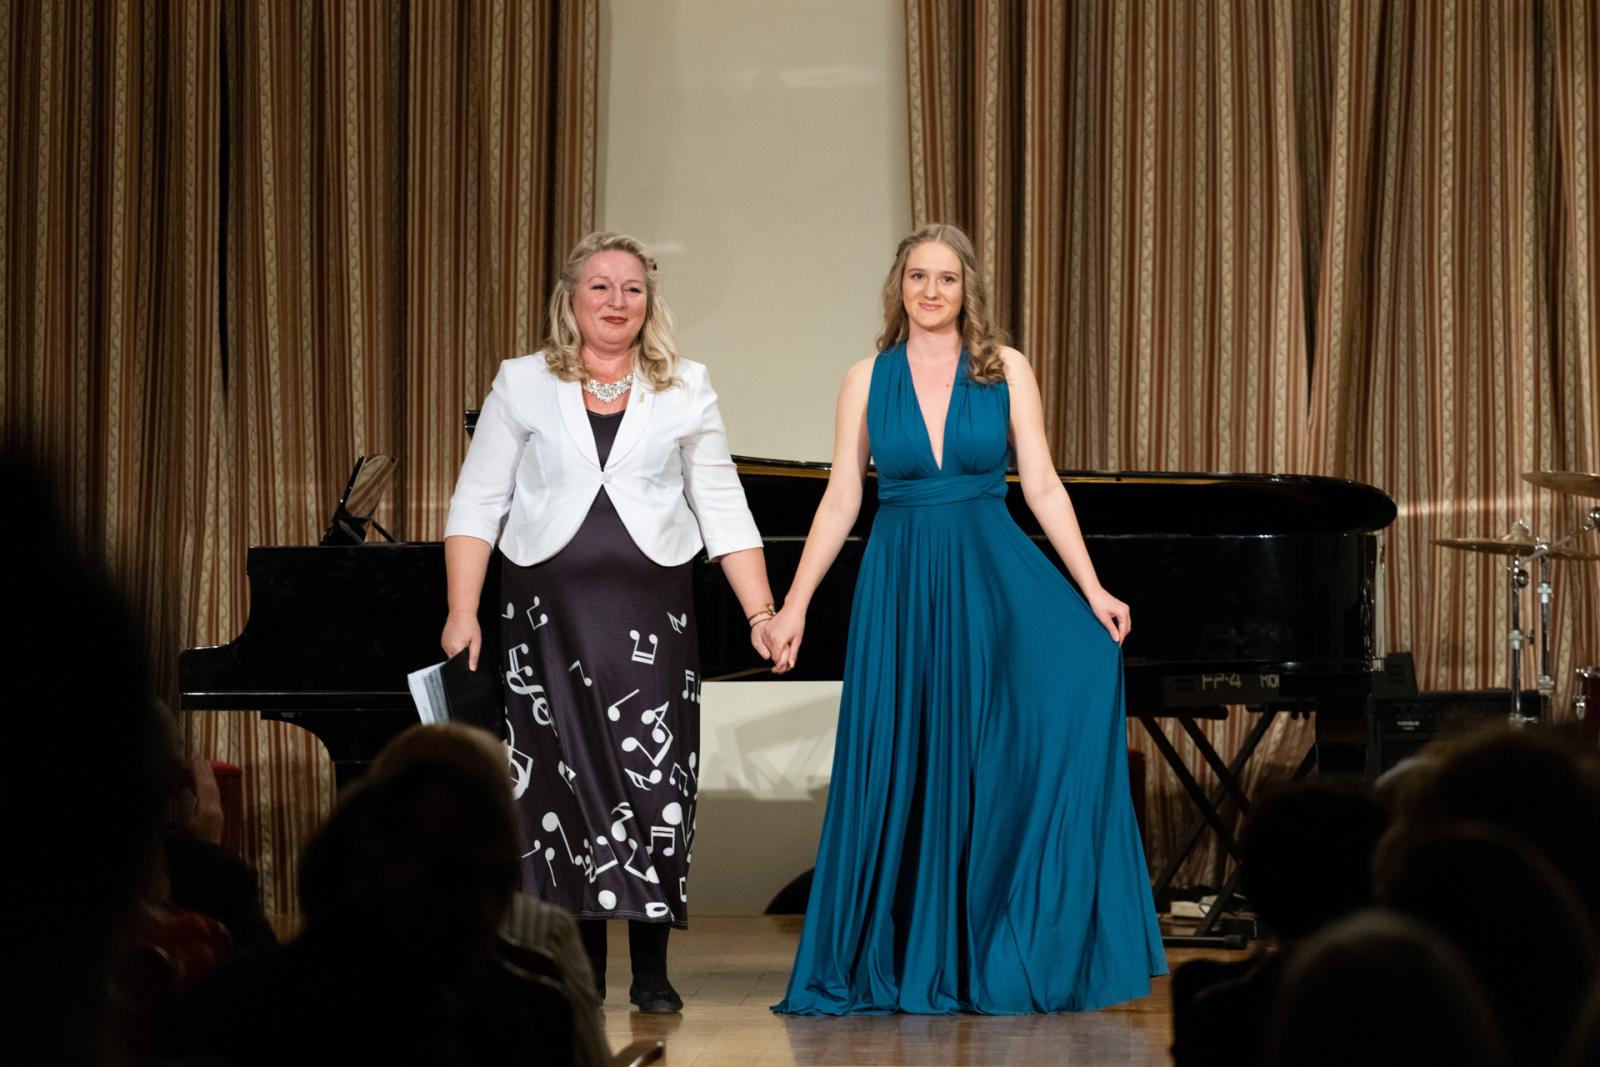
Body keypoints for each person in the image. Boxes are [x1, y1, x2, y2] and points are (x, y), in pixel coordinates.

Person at [769, 223, 1166, 1015]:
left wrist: (1091, 587)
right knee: (904, 757)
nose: (931, 290)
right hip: (900, 583)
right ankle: (902, 950)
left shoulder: (1005, 369)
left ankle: (995, 940)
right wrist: (794, 603)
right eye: (918, 276)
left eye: (946, 278)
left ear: (967, 289)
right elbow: (842, 497)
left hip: (990, 577)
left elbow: (1042, 485)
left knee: (1014, 730)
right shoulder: (865, 378)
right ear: (900, 285)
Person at [441, 231, 780, 1014]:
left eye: (632, 288)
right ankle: (586, 968)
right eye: (600, 286)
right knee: (561, 786)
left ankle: (652, 969)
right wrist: (461, 609)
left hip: (651, 622)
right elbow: (479, 499)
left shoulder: (686, 385)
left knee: (653, 781)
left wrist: (761, 611)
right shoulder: (522, 382)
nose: (616, 301)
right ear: (572, 298)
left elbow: (722, 504)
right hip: (544, 620)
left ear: (649, 303)